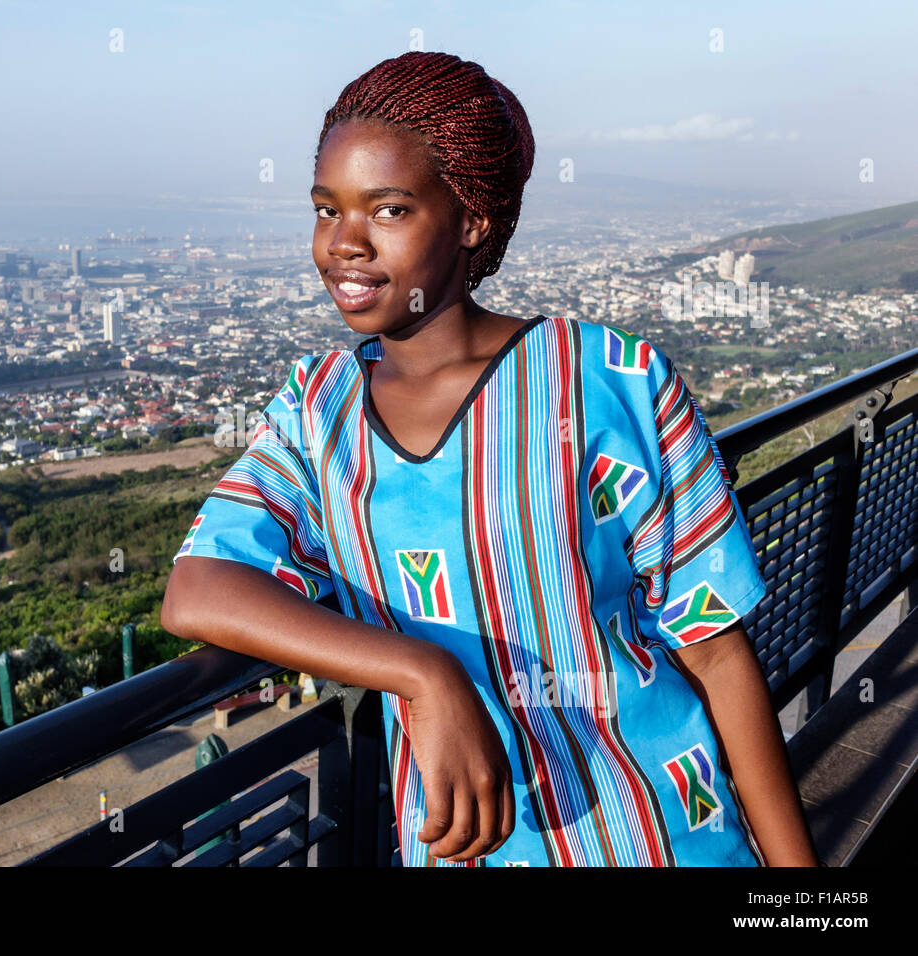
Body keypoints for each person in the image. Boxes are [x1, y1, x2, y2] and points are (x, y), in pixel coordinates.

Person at [160, 51, 819, 867]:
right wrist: (423, 673)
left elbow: (715, 649)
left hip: (666, 839)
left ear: (472, 221)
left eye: (389, 210)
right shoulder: (316, 410)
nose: (345, 245)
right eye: (327, 211)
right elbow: (198, 588)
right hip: (472, 848)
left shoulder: (609, 381)